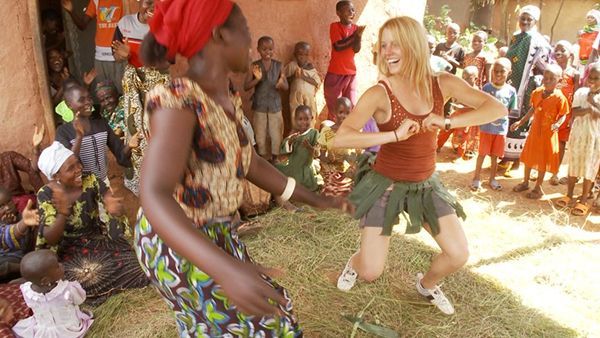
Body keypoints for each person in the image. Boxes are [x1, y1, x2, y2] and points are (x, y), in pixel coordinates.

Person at [134, 1, 348, 335]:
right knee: (267, 323)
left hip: (212, 232)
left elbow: (247, 161)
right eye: (245, 33)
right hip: (177, 239)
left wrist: (316, 199)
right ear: (219, 34)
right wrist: (225, 269)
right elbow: (153, 192)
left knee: (243, 319)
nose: (250, 43)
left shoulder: (224, 95)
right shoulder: (179, 100)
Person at [332, 16, 506, 315]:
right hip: (384, 184)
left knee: (458, 254)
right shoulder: (379, 92)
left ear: (413, 45)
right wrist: (393, 134)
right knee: (371, 271)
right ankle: (354, 262)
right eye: (383, 45)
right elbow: (340, 138)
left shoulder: (442, 83)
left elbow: (496, 108)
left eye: (394, 44)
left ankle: (426, 284)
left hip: (425, 186)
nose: (387, 52)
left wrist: (447, 121)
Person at [36, 142, 148, 304]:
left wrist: (113, 206)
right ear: (55, 176)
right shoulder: (46, 194)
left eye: (78, 163)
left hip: (95, 241)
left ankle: (93, 292)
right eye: (71, 168)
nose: (79, 169)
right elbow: (50, 238)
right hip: (68, 252)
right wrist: (63, 212)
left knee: (137, 266)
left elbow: (108, 197)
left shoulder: (90, 179)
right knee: (83, 276)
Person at [111, 0, 169, 196]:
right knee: (135, 128)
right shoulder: (124, 24)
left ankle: (165, 178)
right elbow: (116, 55)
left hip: (158, 85)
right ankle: (142, 180)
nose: (152, 8)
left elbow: (166, 64)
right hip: (134, 87)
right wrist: (123, 56)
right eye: (148, 3)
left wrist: (133, 54)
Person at [500, 5, 551, 177]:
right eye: (523, 18)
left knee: (520, 120)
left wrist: (538, 80)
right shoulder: (516, 37)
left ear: (535, 21)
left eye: (530, 19)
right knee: (507, 118)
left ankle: (514, 161)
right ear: (519, 19)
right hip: (509, 85)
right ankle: (504, 156)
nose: (526, 21)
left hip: (525, 87)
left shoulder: (537, 40)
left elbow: (546, 66)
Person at [55, 84, 138, 185]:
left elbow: (120, 155)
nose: (88, 103)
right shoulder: (63, 131)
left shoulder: (101, 124)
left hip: (103, 183)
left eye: (89, 98)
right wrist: (79, 137)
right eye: (82, 100)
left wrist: (129, 145)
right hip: (81, 189)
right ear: (69, 105)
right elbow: (69, 164)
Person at [511, 65, 569, 199]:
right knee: (529, 157)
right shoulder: (537, 92)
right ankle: (525, 182)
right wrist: (521, 122)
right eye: (545, 78)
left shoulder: (560, 98)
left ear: (559, 81)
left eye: (551, 79)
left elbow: (563, 114)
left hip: (548, 134)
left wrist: (558, 123)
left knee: (543, 160)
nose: (547, 81)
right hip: (535, 132)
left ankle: (538, 187)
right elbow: (533, 109)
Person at [12, 250, 93, 338]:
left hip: (42, 330)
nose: (61, 264)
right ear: (46, 280)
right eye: (57, 266)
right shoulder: (67, 289)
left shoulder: (27, 292)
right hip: (67, 330)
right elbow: (80, 300)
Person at [556, 63, 600, 216]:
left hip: (594, 139)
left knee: (589, 168)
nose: (592, 81)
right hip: (578, 135)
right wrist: (588, 109)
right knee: (574, 165)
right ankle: (569, 193)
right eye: (590, 77)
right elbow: (574, 111)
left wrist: (592, 103)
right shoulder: (581, 92)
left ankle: (583, 199)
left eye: (597, 78)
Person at [472, 58, 517, 192]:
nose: (498, 74)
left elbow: (510, 110)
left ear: (509, 73)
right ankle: (476, 178)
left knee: (495, 156)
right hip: (486, 128)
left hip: (500, 129)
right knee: (482, 154)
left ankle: (492, 179)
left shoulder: (511, 91)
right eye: (495, 71)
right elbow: (481, 105)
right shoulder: (486, 88)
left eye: (502, 71)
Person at [61, 0, 125, 93]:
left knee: (122, 93)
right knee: (104, 94)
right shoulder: (96, 1)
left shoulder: (125, 2)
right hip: (100, 57)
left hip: (119, 55)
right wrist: (71, 11)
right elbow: (82, 25)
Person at [244, 36, 288, 162]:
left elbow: (286, 86)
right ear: (258, 49)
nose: (267, 52)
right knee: (260, 133)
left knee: (276, 133)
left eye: (270, 49)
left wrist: (281, 84)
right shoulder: (254, 66)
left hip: (275, 105)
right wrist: (256, 80)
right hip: (260, 105)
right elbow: (246, 86)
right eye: (264, 49)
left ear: (273, 49)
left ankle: (275, 157)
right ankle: (262, 157)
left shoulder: (279, 66)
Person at [323, 0, 365, 122]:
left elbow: (356, 49)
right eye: (348, 10)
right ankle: (329, 136)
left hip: (351, 73)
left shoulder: (356, 28)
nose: (352, 12)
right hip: (336, 72)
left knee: (350, 107)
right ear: (338, 13)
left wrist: (358, 36)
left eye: (353, 10)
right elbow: (339, 46)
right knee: (334, 108)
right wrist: (355, 35)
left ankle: (346, 135)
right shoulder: (335, 26)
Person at [436, 66, 480, 159]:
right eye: (463, 77)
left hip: (468, 118)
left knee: (462, 134)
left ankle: (461, 152)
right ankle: (437, 146)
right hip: (457, 113)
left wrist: (466, 105)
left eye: (468, 78)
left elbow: (477, 106)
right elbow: (454, 99)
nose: (464, 80)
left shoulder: (477, 91)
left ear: (475, 79)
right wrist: (456, 102)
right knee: (445, 129)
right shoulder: (460, 88)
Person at [553, 41, 580, 185]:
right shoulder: (551, 70)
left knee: (561, 142)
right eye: (556, 49)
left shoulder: (574, 73)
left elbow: (576, 95)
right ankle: (541, 169)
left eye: (562, 50)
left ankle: (555, 171)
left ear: (570, 54)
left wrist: (573, 117)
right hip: (550, 112)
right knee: (546, 140)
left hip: (566, 113)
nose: (558, 52)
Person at [0, 126, 45, 213]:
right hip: (2, 213)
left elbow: (32, 167)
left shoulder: (8, 157)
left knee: (25, 203)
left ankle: (44, 201)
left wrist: (36, 148)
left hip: (20, 203)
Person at [276, 106, 321, 192]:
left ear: (312, 118)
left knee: (301, 186)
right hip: (293, 167)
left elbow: (317, 153)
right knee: (275, 169)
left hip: (305, 169)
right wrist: (290, 142)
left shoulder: (314, 134)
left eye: (306, 119)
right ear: (295, 120)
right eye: (300, 119)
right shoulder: (294, 135)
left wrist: (309, 147)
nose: (303, 122)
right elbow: (283, 152)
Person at [319, 97, 357, 197]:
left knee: (348, 192)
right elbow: (321, 156)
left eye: (347, 113)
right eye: (341, 112)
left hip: (347, 173)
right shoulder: (327, 132)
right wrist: (328, 159)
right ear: (334, 112)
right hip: (332, 170)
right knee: (330, 192)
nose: (344, 116)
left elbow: (357, 158)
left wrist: (351, 163)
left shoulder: (353, 133)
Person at [0, 197, 39, 282]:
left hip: (17, 258)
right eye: (1, 207)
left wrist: (23, 223)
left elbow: (26, 247)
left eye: (9, 202)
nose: (7, 208)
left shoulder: (23, 216)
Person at [285, 42, 320, 125]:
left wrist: (303, 77)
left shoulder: (311, 68)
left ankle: (310, 134)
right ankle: (297, 134)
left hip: (309, 97)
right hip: (296, 96)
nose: (302, 57)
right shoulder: (292, 66)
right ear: (295, 54)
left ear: (308, 56)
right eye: (300, 54)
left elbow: (317, 82)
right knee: (295, 114)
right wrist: (294, 76)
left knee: (310, 114)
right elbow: (284, 79)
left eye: (305, 55)